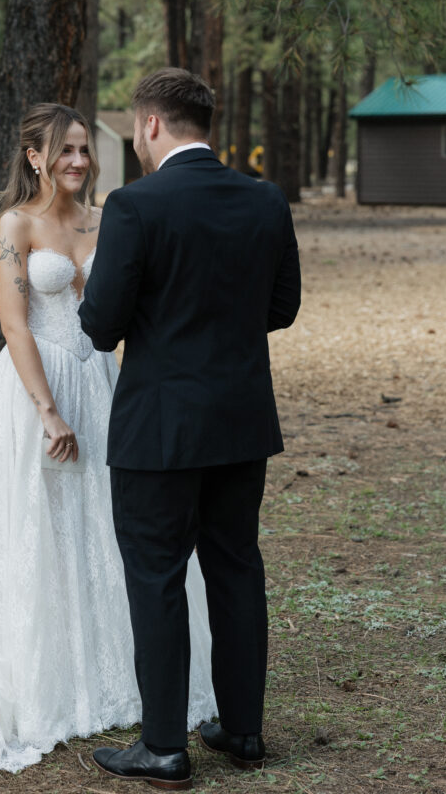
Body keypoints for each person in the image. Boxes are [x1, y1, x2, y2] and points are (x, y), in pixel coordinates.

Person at [0, 103, 216, 784]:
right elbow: (15, 324)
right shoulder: (14, 225)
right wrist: (48, 412)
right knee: (38, 524)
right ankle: (42, 669)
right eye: (64, 150)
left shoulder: (109, 219)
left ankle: (125, 673)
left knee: (114, 523)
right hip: (36, 387)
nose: (78, 161)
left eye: (83, 149)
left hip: (103, 383)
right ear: (34, 158)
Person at [79, 68, 301, 790]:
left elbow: (101, 325)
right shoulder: (264, 199)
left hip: (159, 427)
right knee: (236, 567)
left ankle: (164, 747)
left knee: (156, 577)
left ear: (150, 124)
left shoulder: (134, 205)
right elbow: (282, 307)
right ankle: (242, 730)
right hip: (240, 421)